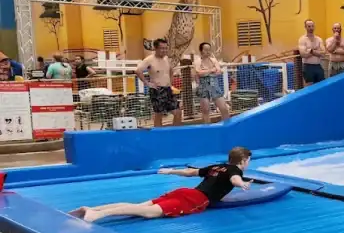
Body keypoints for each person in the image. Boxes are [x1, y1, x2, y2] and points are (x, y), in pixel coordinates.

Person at [69, 146, 252, 223]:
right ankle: (97, 214)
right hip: (196, 199)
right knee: (148, 212)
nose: (248, 163)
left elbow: (190, 172)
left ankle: (92, 208)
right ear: (243, 160)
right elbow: (234, 179)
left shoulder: (217, 166)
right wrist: (241, 183)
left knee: (140, 206)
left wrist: (171, 171)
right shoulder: (236, 171)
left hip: (184, 191)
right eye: (248, 160)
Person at [136, 39, 182, 127]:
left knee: (178, 112)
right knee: (159, 114)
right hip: (157, 90)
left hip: (168, 89)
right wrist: (147, 83)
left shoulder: (166, 58)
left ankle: (175, 133)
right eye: (162, 48)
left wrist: (170, 83)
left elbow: (171, 70)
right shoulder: (149, 59)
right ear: (156, 48)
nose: (164, 50)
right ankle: (158, 134)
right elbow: (138, 71)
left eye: (166, 48)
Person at [195, 41, 231, 124]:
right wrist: (211, 70)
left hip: (214, 85)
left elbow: (219, 71)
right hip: (203, 87)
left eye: (209, 50)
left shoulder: (213, 60)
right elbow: (199, 73)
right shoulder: (198, 61)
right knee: (206, 110)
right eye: (205, 50)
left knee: (224, 108)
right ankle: (207, 129)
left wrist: (206, 72)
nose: (208, 52)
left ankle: (227, 126)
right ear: (201, 51)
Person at [298, 19, 326, 84]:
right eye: (309, 26)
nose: (311, 28)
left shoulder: (319, 39)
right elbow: (303, 54)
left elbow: (324, 53)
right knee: (309, 87)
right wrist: (317, 51)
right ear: (305, 27)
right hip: (308, 66)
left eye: (312, 26)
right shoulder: (302, 39)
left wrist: (311, 51)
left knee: (321, 86)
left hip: (318, 65)